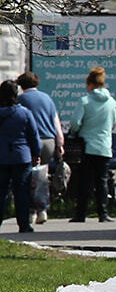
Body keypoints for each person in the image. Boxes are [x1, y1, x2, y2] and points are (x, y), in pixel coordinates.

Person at [69, 67, 116, 223]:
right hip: (104, 146)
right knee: (102, 180)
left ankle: (80, 214)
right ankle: (103, 213)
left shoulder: (85, 100)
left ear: (90, 84)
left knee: (84, 180)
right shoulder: (111, 101)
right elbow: (114, 120)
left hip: (87, 146)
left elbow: (76, 123)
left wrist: (76, 131)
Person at [16, 72, 62, 224]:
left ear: (21, 85)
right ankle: (43, 209)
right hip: (49, 141)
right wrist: (59, 143)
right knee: (42, 177)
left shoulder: (20, 99)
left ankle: (31, 212)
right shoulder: (47, 98)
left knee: (29, 178)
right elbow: (56, 122)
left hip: (29, 142)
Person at [0, 80, 40, 233]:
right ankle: (23, 224)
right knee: (22, 192)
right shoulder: (24, 112)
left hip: (2, 157)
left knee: (1, 193)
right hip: (21, 157)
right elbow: (33, 135)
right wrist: (36, 153)